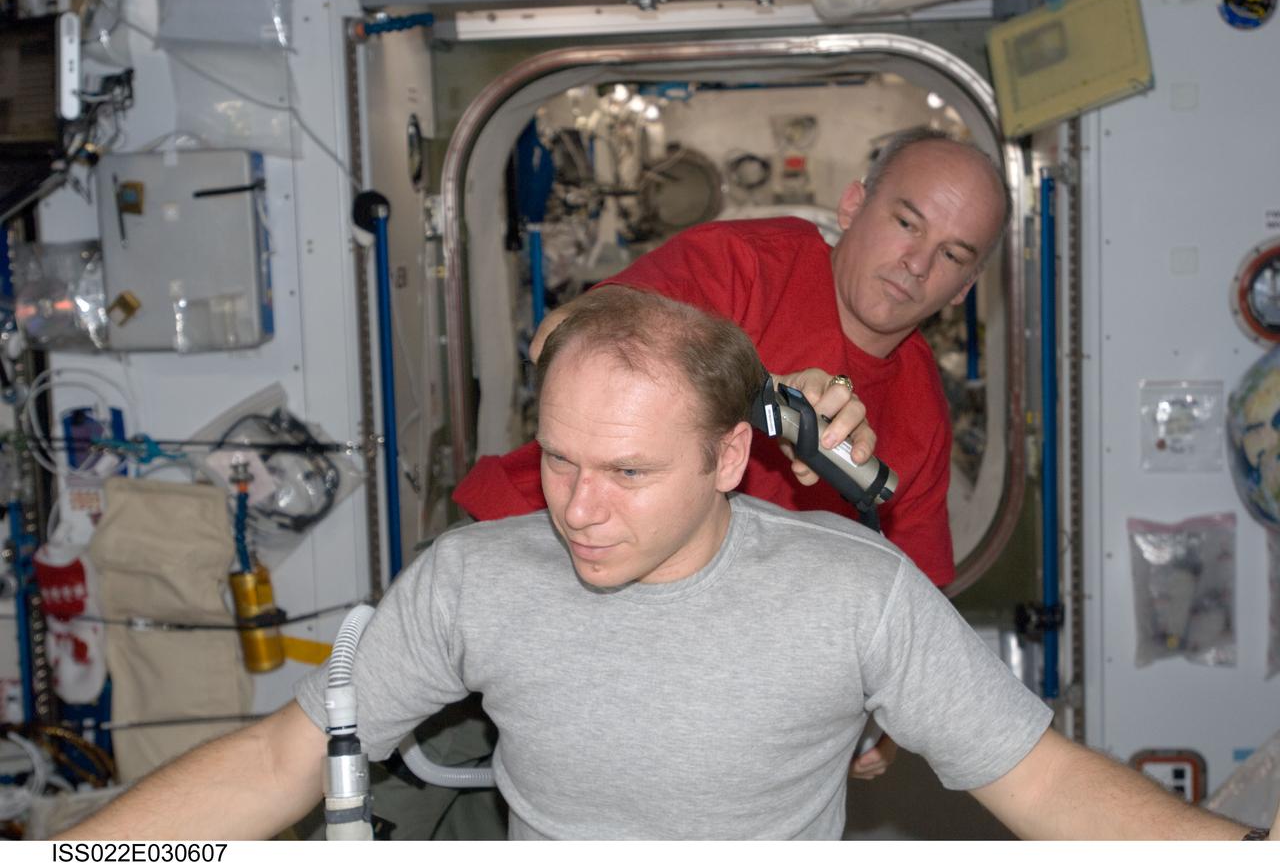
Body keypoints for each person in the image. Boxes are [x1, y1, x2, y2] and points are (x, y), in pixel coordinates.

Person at [61, 289, 1276, 841]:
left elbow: (1048, 785)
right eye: (556, 459)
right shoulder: (474, 577)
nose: (577, 511)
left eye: (628, 473)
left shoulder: (852, 592)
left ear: (731, 457)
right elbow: (286, 753)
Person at [455, 126, 1009, 594]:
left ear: (964, 287)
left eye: (952, 254)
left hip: (710, 633)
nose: (916, 263)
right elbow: (556, 338)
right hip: (542, 554)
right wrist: (765, 396)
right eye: (906, 224)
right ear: (853, 206)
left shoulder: (922, 416)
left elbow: (920, 612)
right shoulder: (745, 265)